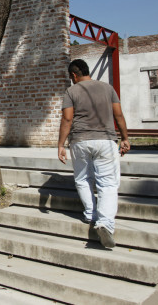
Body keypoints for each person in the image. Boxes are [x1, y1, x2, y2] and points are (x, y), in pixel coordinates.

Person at [57, 59, 130, 248]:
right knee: (108, 183)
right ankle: (105, 223)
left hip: (80, 141)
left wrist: (60, 145)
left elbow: (67, 118)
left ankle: (91, 215)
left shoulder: (71, 91)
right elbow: (118, 115)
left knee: (82, 179)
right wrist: (125, 138)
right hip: (106, 140)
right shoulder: (107, 88)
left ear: (74, 75)